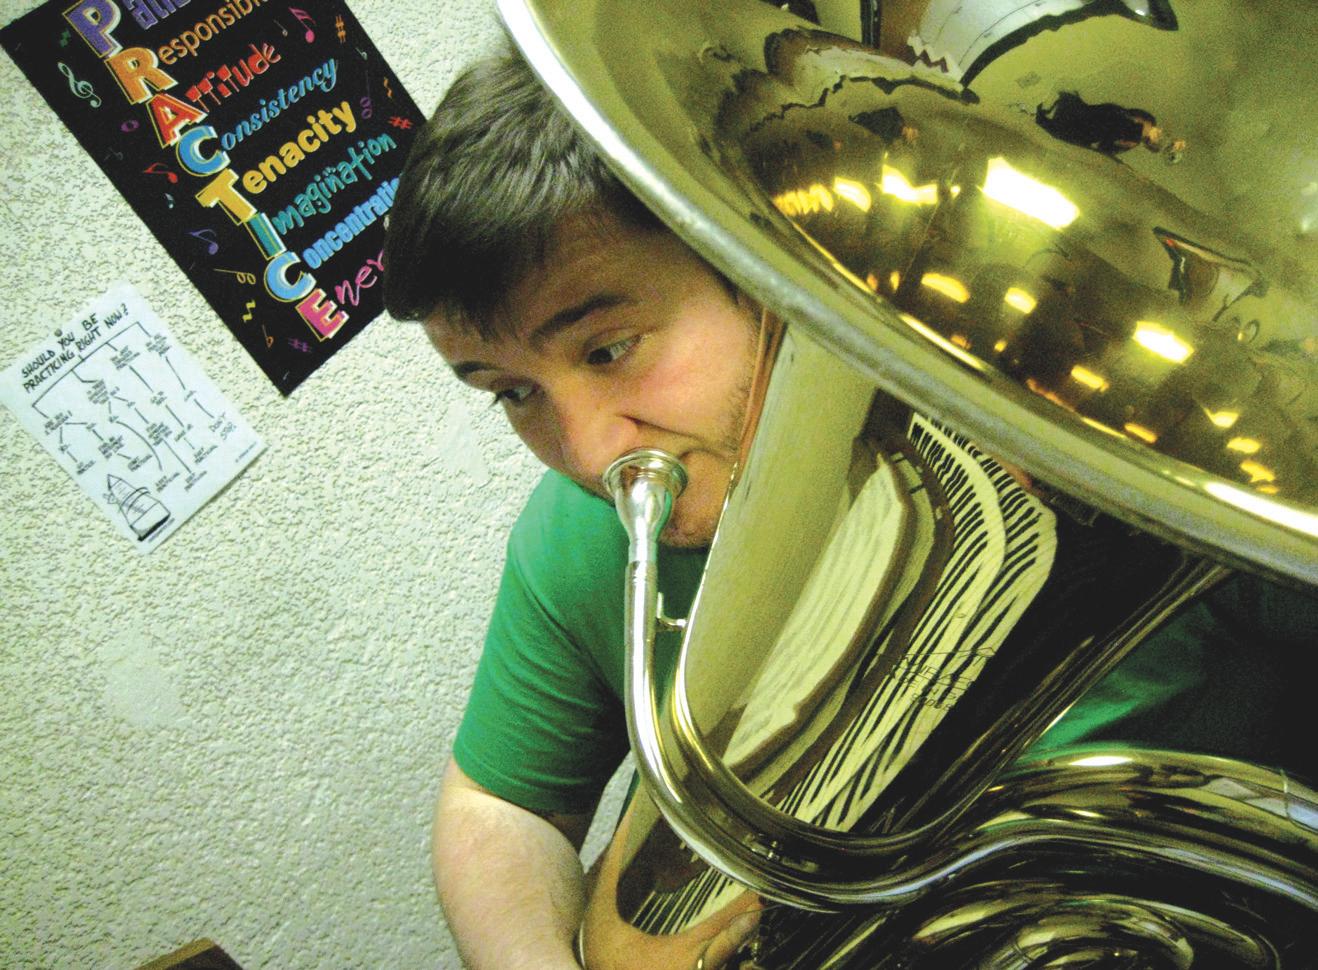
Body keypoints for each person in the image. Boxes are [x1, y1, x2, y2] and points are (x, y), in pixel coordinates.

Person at [383, 44, 1315, 970]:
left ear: (752, 261)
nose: (590, 454)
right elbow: (497, 807)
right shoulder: (579, 531)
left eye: (608, 349)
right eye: (514, 393)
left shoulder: (1099, 430)